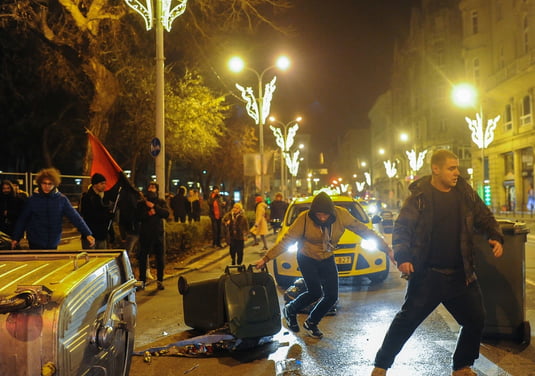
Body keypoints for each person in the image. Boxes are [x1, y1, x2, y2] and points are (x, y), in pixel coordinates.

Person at [370, 150, 504, 376]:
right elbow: (403, 228)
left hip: (461, 276)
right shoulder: (420, 197)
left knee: (475, 319)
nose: (457, 173)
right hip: (428, 276)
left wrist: (494, 235)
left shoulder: (465, 193)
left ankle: (462, 367)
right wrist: (403, 257)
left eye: (457, 168)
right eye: (451, 168)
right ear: (436, 169)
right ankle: (381, 365)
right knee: (406, 322)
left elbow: (484, 216)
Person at [255, 191, 393, 339]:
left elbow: (364, 231)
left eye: (325, 215)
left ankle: (311, 322)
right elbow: (287, 240)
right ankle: (290, 309)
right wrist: (266, 258)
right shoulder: (305, 219)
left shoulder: (342, 215)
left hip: (327, 257)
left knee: (332, 296)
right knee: (315, 292)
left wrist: (387, 249)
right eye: (318, 215)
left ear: (331, 213)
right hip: (307, 257)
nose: (321, 218)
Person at [11, 168, 95, 250]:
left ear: (55, 184)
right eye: (44, 183)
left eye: (50, 184)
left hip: (53, 241)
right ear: (40, 183)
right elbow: (23, 219)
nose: (47, 186)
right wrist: (16, 238)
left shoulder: (61, 199)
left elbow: (75, 217)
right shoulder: (32, 200)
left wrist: (87, 233)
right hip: (35, 241)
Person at [136, 182, 169, 290]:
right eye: (150, 187)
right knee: (143, 257)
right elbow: (138, 217)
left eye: (154, 187)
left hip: (158, 233)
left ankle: (160, 280)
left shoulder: (160, 202)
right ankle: (142, 281)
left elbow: (166, 213)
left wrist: (155, 207)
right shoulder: (141, 204)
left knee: (160, 258)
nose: (151, 189)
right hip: (145, 234)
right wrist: (148, 214)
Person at [79, 173, 114, 249]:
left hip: (102, 236)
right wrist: (107, 215)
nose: (104, 185)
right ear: (95, 185)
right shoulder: (87, 198)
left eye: (105, 183)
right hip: (90, 236)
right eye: (101, 183)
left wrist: (111, 234)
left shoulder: (105, 198)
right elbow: (89, 216)